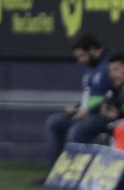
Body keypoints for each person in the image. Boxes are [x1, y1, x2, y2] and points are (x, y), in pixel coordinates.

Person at [43, 33, 115, 166]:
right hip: (87, 114)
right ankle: (53, 173)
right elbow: (90, 97)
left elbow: (114, 96)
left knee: (75, 131)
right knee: (54, 122)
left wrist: (89, 110)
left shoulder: (112, 64)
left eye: (82, 55)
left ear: (93, 49)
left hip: (104, 116)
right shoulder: (92, 68)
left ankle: (73, 174)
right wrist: (76, 108)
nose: (80, 60)